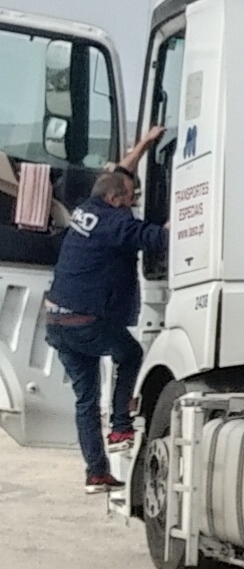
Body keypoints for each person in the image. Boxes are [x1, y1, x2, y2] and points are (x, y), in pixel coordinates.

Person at [44, 133, 167, 491]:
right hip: (84, 320)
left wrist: (144, 144)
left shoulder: (86, 207)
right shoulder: (115, 224)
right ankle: (120, 426)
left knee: (85, 399)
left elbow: (116, 172)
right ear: (115, 200)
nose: (133, 204)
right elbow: (157, 237)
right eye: (130, 199)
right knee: (130, 354)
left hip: (57, 320)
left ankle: (96, 473)